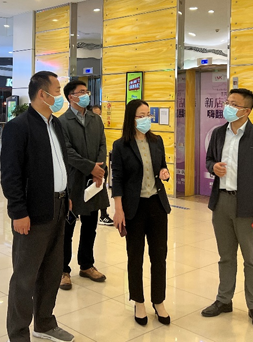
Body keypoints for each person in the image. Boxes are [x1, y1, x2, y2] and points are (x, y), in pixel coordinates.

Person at [0, 71, 74, 342]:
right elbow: (10, 175)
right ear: (43, 94)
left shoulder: (56, 125)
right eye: (57, 90)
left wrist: (67, 194)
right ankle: (18, 334)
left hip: (58, 207)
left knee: (52, 272)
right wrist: (18, 212)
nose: (60, 95)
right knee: (25, 277)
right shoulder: (18, 127)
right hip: (32, 212)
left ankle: (45, 323)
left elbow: (61, 163)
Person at [201, 88, 253, 331]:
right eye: (227, 102)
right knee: (225, 256)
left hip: (248, 207)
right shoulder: (218, 133)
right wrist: (213, 167)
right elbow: (209, 160)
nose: (228, 107)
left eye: (234, 104)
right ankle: (224, 300)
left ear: (246, 111)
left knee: (251, 259)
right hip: (221, 202)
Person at [112, 99, 172, 326]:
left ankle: (159, 301)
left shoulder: (157, 141)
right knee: (135, 257)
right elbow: (117, 179)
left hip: (157, 205)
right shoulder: (121, 145)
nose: (146, 119)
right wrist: (118, 210)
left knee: (159, 256)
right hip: (133, 208)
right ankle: (138, 301)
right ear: (131, 118)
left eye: (148, 115)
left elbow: (162, 166)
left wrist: (165, 172)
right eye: (141, 115)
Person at [58, 81, 108, 291]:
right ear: (71, 97)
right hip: (73, 181)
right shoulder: (62, 122)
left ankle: (86, 265)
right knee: (67, 229)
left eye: (86, 91)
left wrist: (99, 169)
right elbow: (67, 152)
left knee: (90, 226)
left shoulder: (96, 119)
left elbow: (103, 144)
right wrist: (91, 168)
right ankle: (63, 270)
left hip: (94, 182)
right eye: (81, 92)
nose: (86, 94)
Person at [88, 105, 114, 227]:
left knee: (102, 190)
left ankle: (103, 215)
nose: (98, 117)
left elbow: (103, 146)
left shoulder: (99, 127)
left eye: (100, 114)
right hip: (89, 167)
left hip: (101, 166)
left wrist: (100, 165)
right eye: (96, 114)